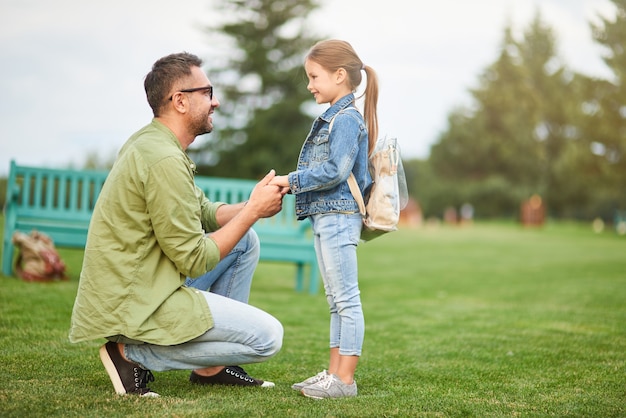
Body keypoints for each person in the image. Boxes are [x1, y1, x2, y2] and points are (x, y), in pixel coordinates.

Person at [69, 52, 287, 397]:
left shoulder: (152, 141)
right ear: (180, 101)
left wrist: (252, 203)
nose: (215, 102)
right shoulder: (163, 158)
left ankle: (211, 368)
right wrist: (253, 213)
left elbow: (200, 209)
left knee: (246, 241)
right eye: (207, 92)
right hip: (137, 300)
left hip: (145, 284)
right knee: (267, 338)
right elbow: (195, 260)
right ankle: (130, 354)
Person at [269, 39, 379, 399]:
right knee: (335, 300)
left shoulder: (346, 119)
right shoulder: (335, 116)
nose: (310, 85)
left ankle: (345, 381)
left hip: (338, 216)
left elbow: (334, 170)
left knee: (346, 299)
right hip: (325, 216)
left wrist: (291, 179)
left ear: (340, 75)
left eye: (314, 77)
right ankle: (334, 373)